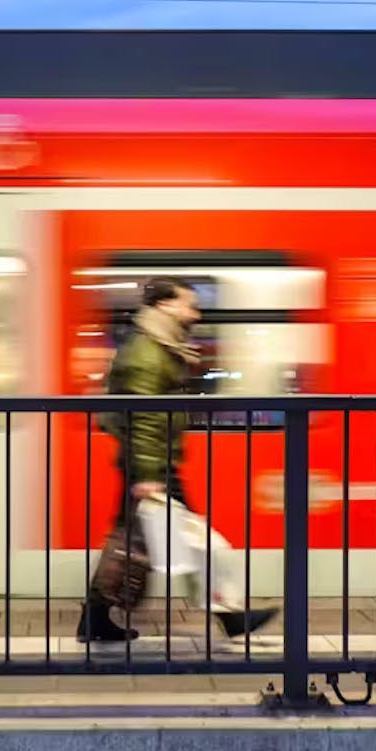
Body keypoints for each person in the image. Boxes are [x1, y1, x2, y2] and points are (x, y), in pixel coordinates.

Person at [77, 276, 277, 644]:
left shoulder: (158, 344)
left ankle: (96, 618)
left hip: (149, 459)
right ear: (164, 305)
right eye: (188, 303)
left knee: (133, 540)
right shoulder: (148, 352)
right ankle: (228, 616)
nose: (195, 312)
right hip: (151, 461)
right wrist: (149, 473)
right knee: (189, 538)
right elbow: (146, 417)